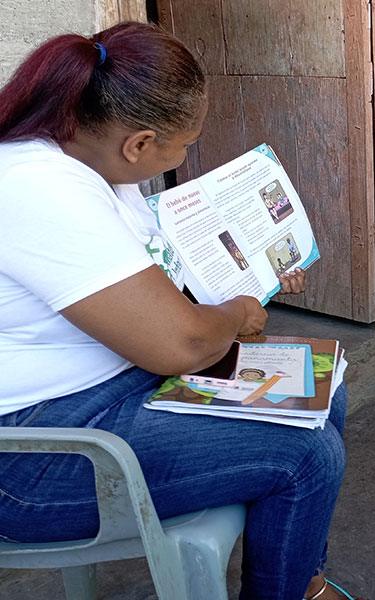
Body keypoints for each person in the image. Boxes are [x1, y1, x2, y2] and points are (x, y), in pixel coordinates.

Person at [0, 22, 355, 600]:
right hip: (33, 454)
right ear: (139, 144)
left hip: (110, 387)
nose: (184, 155)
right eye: (184, 144)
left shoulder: (93, 165)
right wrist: (237, 314)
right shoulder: (36, 186)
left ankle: (301, 580)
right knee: (305, 455)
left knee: (322, 381)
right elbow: (181, 345)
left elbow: (165, 295)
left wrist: (248, 286)